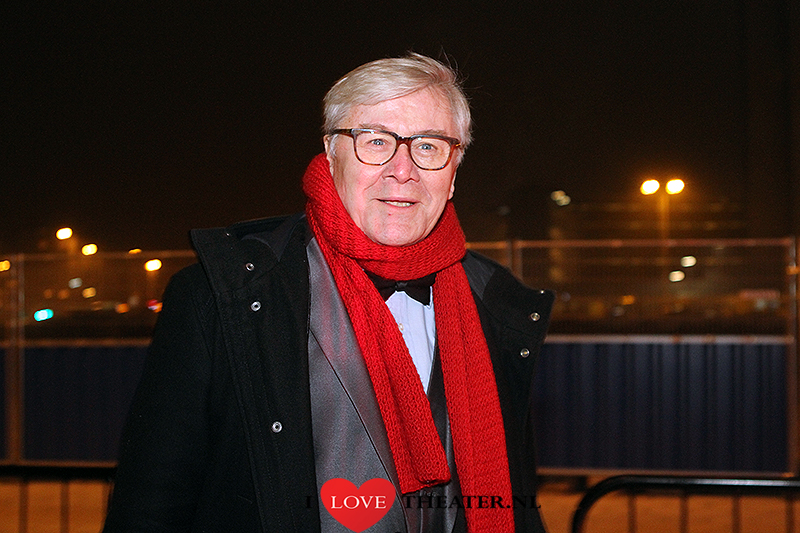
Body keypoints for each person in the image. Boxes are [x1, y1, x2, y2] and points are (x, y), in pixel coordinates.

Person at [103, 53, 554, 533]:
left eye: (428, 146)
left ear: (454, 173)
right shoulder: (220, 295)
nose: (402, 169)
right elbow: (151, 504)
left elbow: (516, 497)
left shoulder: (497, 304)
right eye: (376, 141)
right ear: (330, 153)